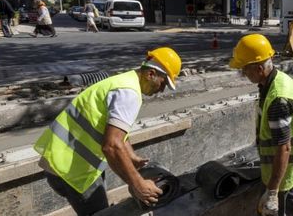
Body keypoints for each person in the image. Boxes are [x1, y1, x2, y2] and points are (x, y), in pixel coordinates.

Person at [34, 47, 182, 215]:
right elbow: (111, 146)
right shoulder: (129, 94)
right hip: (71, 169)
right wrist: (138, 184)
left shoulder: (124, 81)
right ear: (151, 74)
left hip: (64, 160)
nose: (162, 90)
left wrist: (131, 156)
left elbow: (115, 132)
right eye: (164, 83)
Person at [229, 34, 293, 216]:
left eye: (245, 69)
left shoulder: (277, 100)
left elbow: (284, 148)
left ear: (259, 69)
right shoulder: (276, 79)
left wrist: (273, 190)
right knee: (292, 202)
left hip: (281, 171)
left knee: (274, 207)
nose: (243, 74)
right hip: (285, 169)